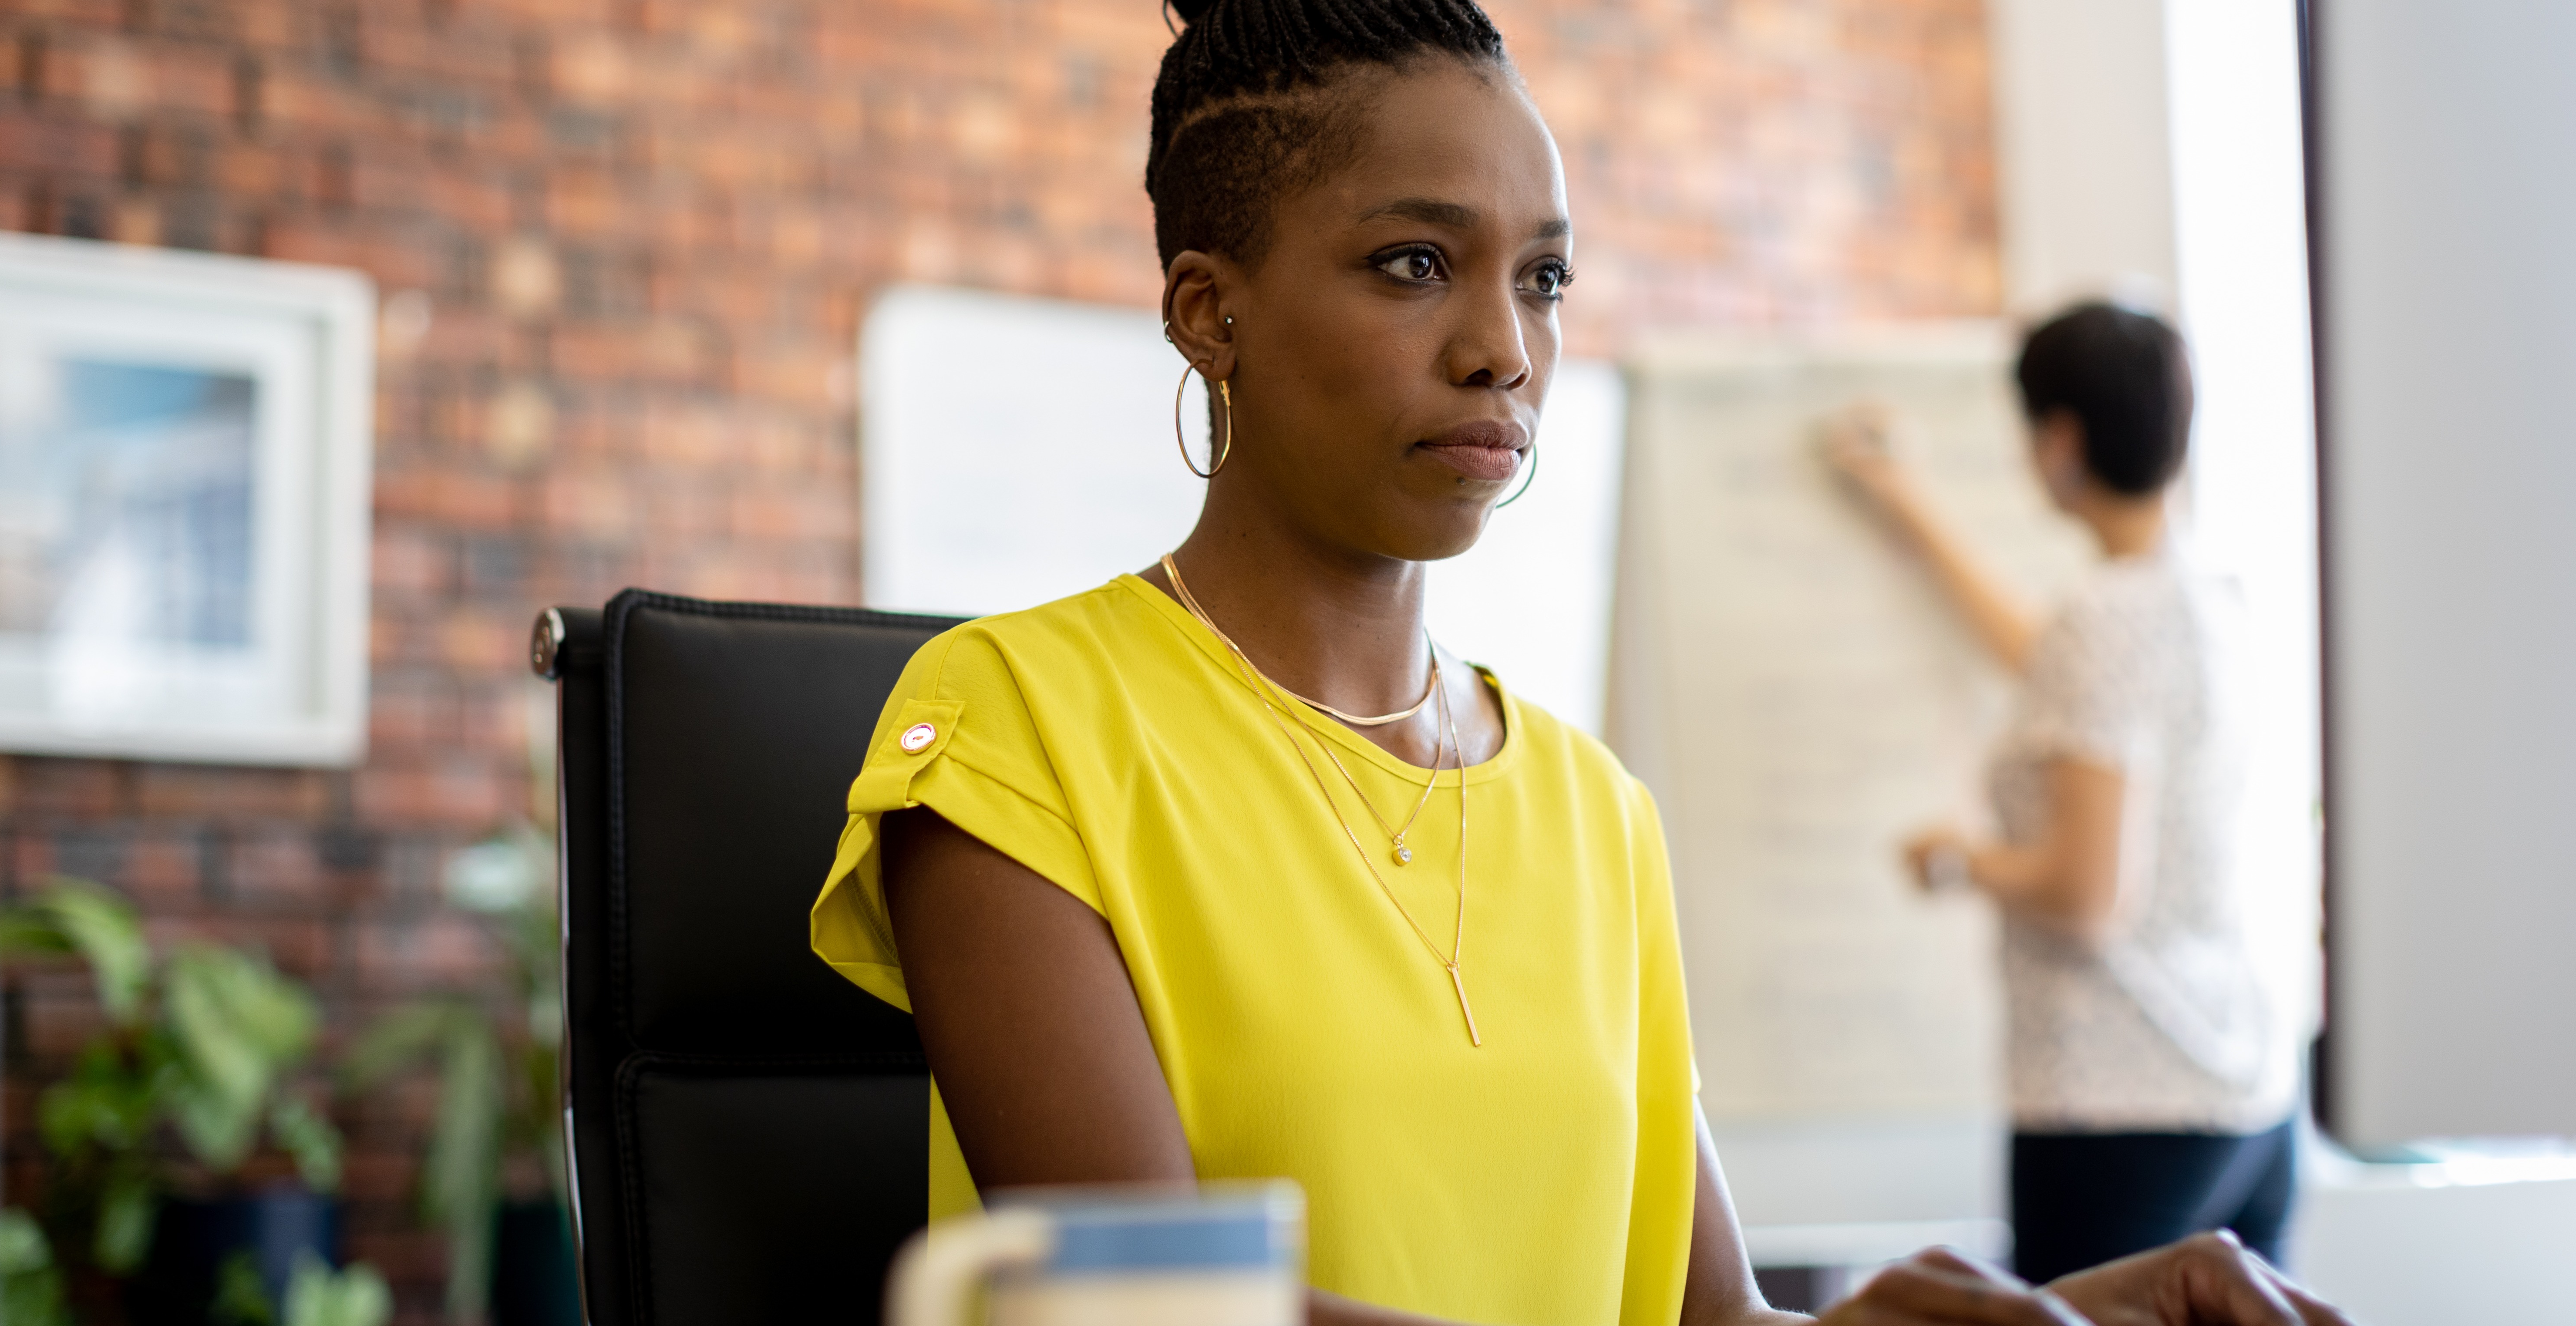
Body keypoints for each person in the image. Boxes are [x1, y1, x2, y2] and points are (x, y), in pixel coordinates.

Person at [811, 3, 2346, 1320]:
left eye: (1542, 277)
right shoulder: (1018, 725)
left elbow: (1711, 1317)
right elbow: (1146, 1313)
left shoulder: (1593, 808)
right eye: (1416, 264)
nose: (1506, 349)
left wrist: (2064, 1305)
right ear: (1213, 313)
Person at [1819, 304, 2309, 1283]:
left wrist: (1959, 859)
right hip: (2244, 1089)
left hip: (2119, 1101)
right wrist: (1906, 502)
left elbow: (2087, 893)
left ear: (2061, 439)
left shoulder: (2106, 617)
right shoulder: (2206, 593)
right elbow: (2042, 661)